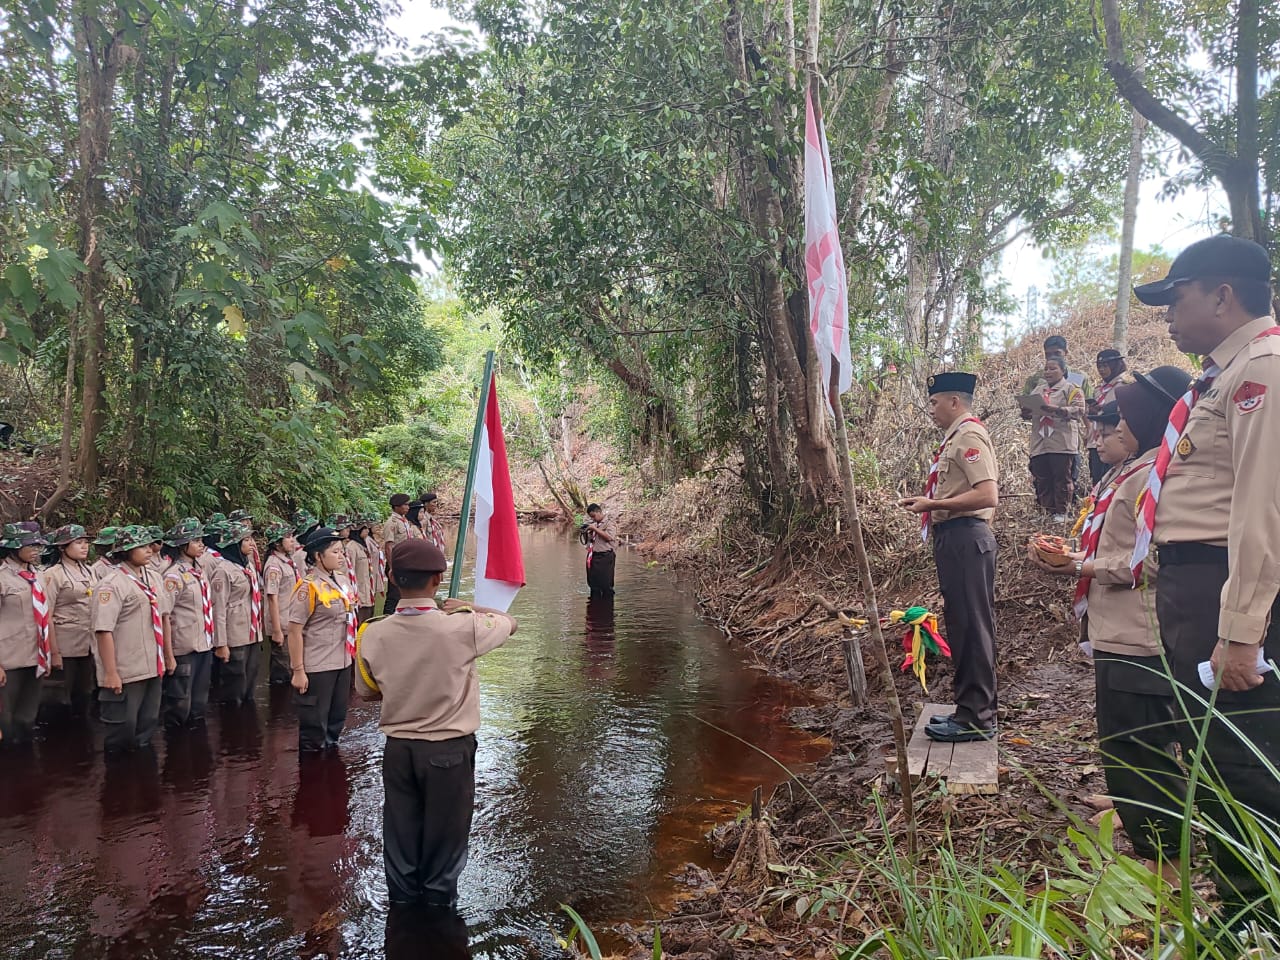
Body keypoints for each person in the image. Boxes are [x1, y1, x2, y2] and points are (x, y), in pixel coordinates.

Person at [1131, 234, 1280, 928]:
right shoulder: (1223, 376)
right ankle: (1238, 906)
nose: (1167, 314)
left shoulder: (1263, 371)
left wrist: (1242, 634)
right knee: (1213, 757)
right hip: (1195, 589)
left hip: (1226, 590)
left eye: (1175, 297)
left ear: (1223, 296)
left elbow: (1261, 512)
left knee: (1244, 762)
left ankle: (1256, 918)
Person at [1028, 372, 1192, 877]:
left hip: (1140, 636)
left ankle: (1164, 867)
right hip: (1114, 629)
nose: (1101, 431)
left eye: (1115, 420)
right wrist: (1072, 555)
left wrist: (1082, 566)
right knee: (1120, 741)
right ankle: (1131, 810)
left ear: (1142, 422)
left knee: (1143, 746)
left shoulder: (1156, 477)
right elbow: (1117, 546)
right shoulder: (1127, 471)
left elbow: (1155, 562)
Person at [355, 539, 517, 907]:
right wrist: (468, 607)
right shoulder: (464, 627)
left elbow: (366, 692)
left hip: (398, 750)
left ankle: (402, 912)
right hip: (448, 751)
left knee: (400, 833)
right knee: (445, 841)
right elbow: (511, 623)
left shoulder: (371, 632)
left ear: (393, 578)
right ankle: (437, 918)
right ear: (438, 580)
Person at [898, 372, 1000, 743]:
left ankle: (978, 718)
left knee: (973, 627)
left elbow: (987, 495)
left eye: (935, 402)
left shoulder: (969, 436)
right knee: (962, 625)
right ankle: (968, 711)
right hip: (954, 539)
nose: (932, 409)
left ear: (954, 402)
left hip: (966, 539)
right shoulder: (954, 438)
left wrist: (934, 504)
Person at [92, 525, 173, 752]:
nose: (149, 550)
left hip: (152, 667)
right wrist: (110, 672)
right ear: (126, 550)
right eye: (141, 546)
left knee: (147, 728)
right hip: (126, 670)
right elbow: (103, 629)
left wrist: (168, 656)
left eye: (149, 545)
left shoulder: (154, 578)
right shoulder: (112, 584)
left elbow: (164, 618)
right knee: (121, 732)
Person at [288, 527, 355, 752]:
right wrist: (298, 670)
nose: (341, 556)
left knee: (336, 722)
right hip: (318, 666)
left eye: (341, 551)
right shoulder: (308, 587)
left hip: (343, 661)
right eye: (335, 552)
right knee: (314, 729)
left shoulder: (341, 581)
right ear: (318, 556)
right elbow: (295, 630)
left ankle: (331, 774)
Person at [159, 518, 225, 728]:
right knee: (180, 703)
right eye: (195, 540)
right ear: (183, 545)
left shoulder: (200, 570)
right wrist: (168, 655)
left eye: (200, 540)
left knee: (199, 703)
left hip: (203, 645)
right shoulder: (173, 576)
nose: (200, 544)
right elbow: (165, 616)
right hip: (183, 646)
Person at [0, 522, 57, 743]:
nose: (36, 550)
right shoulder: (3, 577)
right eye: (30, 545)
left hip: (35, 657)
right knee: (6, 721)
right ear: (14, 548)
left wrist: (49, 653)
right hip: (8, 660)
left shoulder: (39, 576)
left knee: (26, 719)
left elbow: (45, 616)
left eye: (38, 545)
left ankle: (25, 770)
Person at [43, 524, 98, 718]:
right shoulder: (53, 575)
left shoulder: (90, 571)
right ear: (62, 547)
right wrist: (54, 652)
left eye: (86, 542)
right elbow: (45, 615)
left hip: (87, 643)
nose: (84, 546)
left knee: (84, 695)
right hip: (65, 644)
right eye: (78, 542)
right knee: (60, 699)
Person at [1026, 356, 1086, 521]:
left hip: (1061, 440)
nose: (1048, 372)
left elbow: (1079, 410)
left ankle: (1062, 512)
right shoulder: (1038, 390)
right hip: (1040, 441)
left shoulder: (1071, 388)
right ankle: (1046, 512)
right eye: (1046, 368)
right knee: (1042, 478)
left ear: (1063, 371)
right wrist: (1025, 410)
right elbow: (1028, 412)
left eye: (1053, 368)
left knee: (1062, 477)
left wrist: (1058, 409)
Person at [212, 521, 261, 705]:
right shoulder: (223, 570)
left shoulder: (247, 566)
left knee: (250, 683)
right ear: (235, 544)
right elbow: (219, 609)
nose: (251, 543)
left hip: (252, 633)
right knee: (235, 684)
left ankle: (247, 726)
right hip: (235, 634)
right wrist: (221, 644)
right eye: (246, 540)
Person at [262, 521, 302, 685]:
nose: (292, 540)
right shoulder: (273, 565)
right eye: (287, 537)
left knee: (291, 666)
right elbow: (272, 598)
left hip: (291, 620)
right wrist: (277, 630)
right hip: (282, 624)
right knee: (282, 672)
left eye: (292, 536)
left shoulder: (286, 561)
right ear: (277, 543)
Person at [1086, 349, 1129, 485]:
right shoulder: (1098, 390)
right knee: (1098, 481)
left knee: (1114, 480)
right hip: (1096, 441)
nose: (1102, 370)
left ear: (1116, 365)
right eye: (1099, 367)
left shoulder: (1125, 386)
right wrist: (1092, 411)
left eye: (1105, 366)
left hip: (1116, 440)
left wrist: (1104, 410)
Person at [382, 493, 422, 616]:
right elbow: (389, 546)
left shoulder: (404, 522)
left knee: (405, 593)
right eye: (405, 504)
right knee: (394, 594)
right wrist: (392, 567)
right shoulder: (392, 523)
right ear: (396, 506)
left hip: (406, 562)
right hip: (397, 562)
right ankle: (386, 617)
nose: (408, 507)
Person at [583, 503, 618, 599]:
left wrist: (595, 529)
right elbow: (589, 541)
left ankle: (607, 608)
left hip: (605, 557)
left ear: (599, 512)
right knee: (593, 584)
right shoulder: (594, 524)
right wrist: (587, 532)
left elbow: (609, 537)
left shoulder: (610, 523)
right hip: (593, 556)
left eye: (594, 516)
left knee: (606, 584)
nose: (593, 519)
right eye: (591, 517)